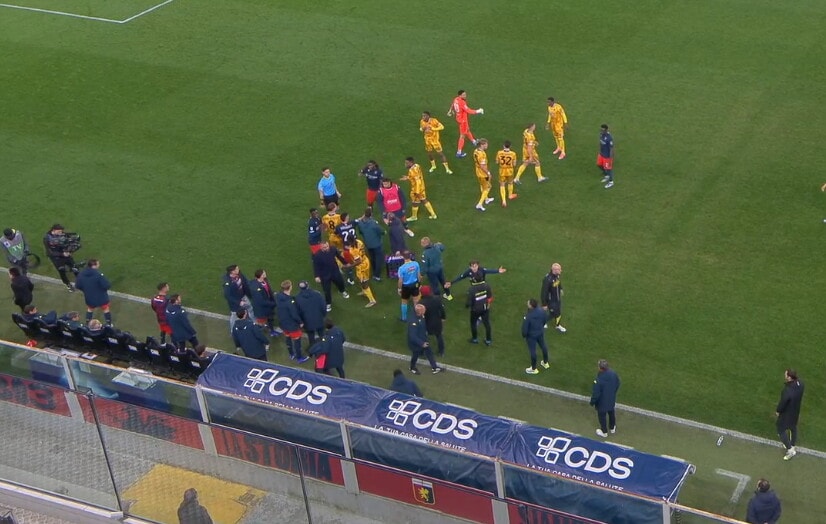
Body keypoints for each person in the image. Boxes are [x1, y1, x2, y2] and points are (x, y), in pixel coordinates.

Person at [275, 280, 309, 362]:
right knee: (297, 341)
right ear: (290, 287)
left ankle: (291, 354)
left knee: (287, 338)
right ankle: (299, 358)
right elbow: (294, 315)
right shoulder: (289, 301)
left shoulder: (278, 296)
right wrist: (300, 322)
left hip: (283, 323)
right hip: (292, 325)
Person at [312, 242, 350, 312]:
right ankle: (328, 303)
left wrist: (345, 263)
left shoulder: (333, 249)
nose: (326, 248)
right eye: (324, 247)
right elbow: (316, 266)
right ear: (321, 247)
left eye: (327, 246)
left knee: (340, 282)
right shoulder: (317, 255)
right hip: (324, 275)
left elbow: (339, 256)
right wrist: (317, 276)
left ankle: (342, 291)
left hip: (334, 271)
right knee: (326, 290)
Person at [775, 369, 804, 460]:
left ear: (789, 377)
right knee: (793, 427)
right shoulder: (800, 384)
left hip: (787, 414)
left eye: (786, 375)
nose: (784, 376)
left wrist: (778, 411)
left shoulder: (787, 390)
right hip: (795, 411)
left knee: (780, 429)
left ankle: (790, 450)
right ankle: (792, 445)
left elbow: (783, 402)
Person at [407, 304, 443, 375]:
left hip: (424, 339)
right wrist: (421, 343)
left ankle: (434, 367)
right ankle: (412, 367)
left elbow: (423, 326)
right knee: (415, 355)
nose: (425, 310)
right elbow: (412, 336)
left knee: (429, 353)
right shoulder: (413, 322)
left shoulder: (421, 316)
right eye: (424, 310)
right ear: (419, 312)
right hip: (416, 344)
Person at [75, 259, 113, 325]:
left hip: (89, 297)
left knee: (90, 309)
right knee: (106, 309)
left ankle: (87, 323)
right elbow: (107, 285)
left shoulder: (81, 274)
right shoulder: (98, 274)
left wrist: (86, 290)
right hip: (101, 297)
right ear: (93, 266)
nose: (99, 265)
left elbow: (77, 285)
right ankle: (109, 324)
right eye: (98, 264)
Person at [447, 90, 484, 158]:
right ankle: (459, 152)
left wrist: (450, 110)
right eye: (463, 95)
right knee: (462, 136)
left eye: (465, 94)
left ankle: (474, 141)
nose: (465, 96)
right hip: (463, 120)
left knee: (467, 130)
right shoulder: (462, 102)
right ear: (460, 95)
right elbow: (468, 111)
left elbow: (453, 104)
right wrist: (478, 111)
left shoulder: (456, 99)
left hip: (459, 118)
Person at [43, 224, 78, 291]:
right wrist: (62, 254)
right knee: (62, 271)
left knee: (75, 267)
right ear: (54, 230)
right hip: (56, 257)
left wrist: (69, 251)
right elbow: (50, 252)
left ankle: (81, 281)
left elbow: (68, 243)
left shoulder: (62, 234)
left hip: (65, 254)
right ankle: (68, 284)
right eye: (59, 231)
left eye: (61, 231)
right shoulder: (47, 238)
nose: (61, 233)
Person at [400, 157, 438, 221]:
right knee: (424, 199)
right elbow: (417, 176)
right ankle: (433, 214)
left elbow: (417, 181)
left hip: (416, 189)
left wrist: (416, 192)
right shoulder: (417, 165)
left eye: (407, 163)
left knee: (415, 202)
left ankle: (414, 217)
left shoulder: (412, 170)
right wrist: (408, 177)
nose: (405, 164)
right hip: (422, 187)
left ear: (411, 163)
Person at [590, 359, 621, 438]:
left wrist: (592, 402)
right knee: (611, 412)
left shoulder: (598, 379)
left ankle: (604, 432)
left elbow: (596, 394)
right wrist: (613, 393)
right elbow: (618, 383)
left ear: (600, 368)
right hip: (611, 399)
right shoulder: (613, 373)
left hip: (602, 403)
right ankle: (612, 428)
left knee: (602, 417)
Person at [356, 207, 385, 280]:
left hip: (368, 244)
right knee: (378, 259)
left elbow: (360, 232)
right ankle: (376, 275)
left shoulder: (360, 223)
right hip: (376, 244)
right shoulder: (373, 223)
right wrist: (384, 232)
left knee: (372, 257)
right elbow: (381, 231)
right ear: (371, 214)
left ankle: (374, 269)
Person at [522, 299, 550, 374]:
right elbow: (545, 319)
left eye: (528, 303)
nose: (527, 304)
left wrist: (524, 335)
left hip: (531, 336)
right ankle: (545, 362)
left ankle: (534, 369)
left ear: (531, 306)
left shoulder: (529, 316)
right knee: (543, 346)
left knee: (533, 352)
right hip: (540, 332)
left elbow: (525, 328)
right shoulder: (541, 311)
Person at [222, 264, 252, 333]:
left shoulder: (240, 274)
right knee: (235, 315)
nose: (239, 269)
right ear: (232, 272)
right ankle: (233, 330)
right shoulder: (227, 282)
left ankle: (254, 323)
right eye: (237, 269)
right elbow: (227, 296)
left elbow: (246, 282)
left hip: (243, 296)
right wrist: (239, 302)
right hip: (236, 302)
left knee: (250, 309)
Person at [347, 239, 377, 307]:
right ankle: (364, 291)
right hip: (365, 261)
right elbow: (364, 249)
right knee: (360, 280)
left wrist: (350, 266)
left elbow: (358, 261)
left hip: (362, 267)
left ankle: (372, 301)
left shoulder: (353, 250)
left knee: (364, 283)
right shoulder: (359, 241)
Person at [249, 269, 279, 336]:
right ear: (261, 276)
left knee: (270, 318)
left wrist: (272, 292)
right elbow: (261, 301)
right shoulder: (255, 287)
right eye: (264, 273)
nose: (265, 274)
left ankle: (272, 331)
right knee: (261, 323)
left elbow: (268, 289)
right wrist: (273, 303)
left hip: (268, 303)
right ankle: (257, 334)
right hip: (262, 308)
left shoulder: (265, 280)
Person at [295, 280, 326, 345]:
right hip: (319, 319)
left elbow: (298, 312)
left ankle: (313, 348)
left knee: (311, 337)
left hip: (307, 322)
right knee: (322, 336)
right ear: (308, 286)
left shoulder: (297, 298)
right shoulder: (317, 294)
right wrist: (323, 315)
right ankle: (325, 347)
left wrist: (302, 321)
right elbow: (323, 307)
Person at [419, 286, 446, 356]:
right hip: (437, 322)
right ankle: (441, 352)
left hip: (427, 323)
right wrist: (443, 318)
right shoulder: (437, 299)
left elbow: (420, 315)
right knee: (439, 336)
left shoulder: (421, 302)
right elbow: (442, 310)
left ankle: (423, 351)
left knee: (423, 337)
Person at [466, 277, 493, 345]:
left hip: (475, 310)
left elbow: (469, 303)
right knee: (487, 324)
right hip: (485, 308)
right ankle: (488, 340)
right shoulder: (487, 286)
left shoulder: (471, 289)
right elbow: (490, 297)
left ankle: (474, 339)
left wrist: (467, 306)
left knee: (473, 324)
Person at [540, 262, 566, 333]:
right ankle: (544, 322)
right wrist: (544, 304)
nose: (561, 271)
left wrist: (560, 288)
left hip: (557, 299)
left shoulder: (556, 275)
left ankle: (556, 325)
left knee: (557, 313)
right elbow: (544, 292)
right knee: (554, 313)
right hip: (551, 301)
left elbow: (558, 282)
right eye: (559, 269)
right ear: (554, 270)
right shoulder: (548, 280)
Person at [397, 251, 422, 321]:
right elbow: (419, 276)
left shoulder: (401, 268)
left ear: (403, 257)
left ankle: (404, 318)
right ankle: (418, 315)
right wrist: (419, 284)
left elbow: (400, 280)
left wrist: (399, 289)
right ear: (410, 256)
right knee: (416, 301)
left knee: (404, 302)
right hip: (415, 284)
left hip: (406, 286)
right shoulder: (416, 264)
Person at [473, 139, 495, 211]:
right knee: (488, 187)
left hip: (478, 172)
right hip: (483, 174)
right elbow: (482, 166)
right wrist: (488, 173)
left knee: (482, 185)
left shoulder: (476, 151)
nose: (487, 145)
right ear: (482, 145)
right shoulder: (482, 154)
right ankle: (479, 204)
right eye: (486, 144)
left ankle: (486, 199)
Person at [495, 140, 518, 207]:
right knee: (510, 182)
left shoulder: (499, 153)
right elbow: (514, 164)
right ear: (510, 146)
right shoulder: (513, 154)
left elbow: (497, 162)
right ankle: (510, 195)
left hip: (502, 170)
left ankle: (504, 201)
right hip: (510, 170)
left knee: (502, 184)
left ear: (503, 146)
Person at [598, 124, 615, 189]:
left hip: (607, 156)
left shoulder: (609, 138)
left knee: (608, 169)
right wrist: (600, 151)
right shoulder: (601, 135)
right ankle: (606, 175)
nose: (601, 131)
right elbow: (600, 143)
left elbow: (611, 149)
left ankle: (611, 182)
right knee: (599, 165)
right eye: (601, 130)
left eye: (603, 130)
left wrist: (610, 159)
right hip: (601, 154)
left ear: (606, 130)